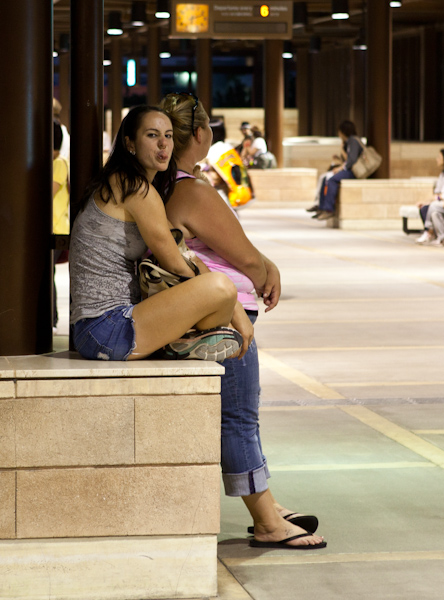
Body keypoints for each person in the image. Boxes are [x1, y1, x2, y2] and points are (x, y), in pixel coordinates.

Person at [159, 92, 326, 550]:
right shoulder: (192, 189)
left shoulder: (170, 185)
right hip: (221, 316)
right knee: (237, 418)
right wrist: (266, 270)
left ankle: (267, 504)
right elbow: (246, 257)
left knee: (237, 417)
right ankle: (267, 521)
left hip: (204, 311)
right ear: (201, 134)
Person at [68, 105, 244, 363]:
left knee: (220, 299)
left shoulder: (127, 182)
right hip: (107, 328)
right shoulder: (135, 188)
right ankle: (181, 344)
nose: (163, 144)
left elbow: (180, 254)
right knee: (222, 288)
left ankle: (183, 342)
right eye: (152, 135)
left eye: (169, 136)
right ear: (130, 143)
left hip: (103, 327)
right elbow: (176, 261)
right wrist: (237, 310)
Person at [313, 120, 363, 221]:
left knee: (332, 180)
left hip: (354, 171)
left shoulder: (353, 141)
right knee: (325, 178)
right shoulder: (349, 142)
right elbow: (348, 159)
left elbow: (352, 160)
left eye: (339, 131)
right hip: (349, 169)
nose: (338, 134)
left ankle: (329, 209)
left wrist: (341, 168)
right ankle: (322, 207)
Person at [52, 120, 70, 328]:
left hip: (56, 228)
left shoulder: (59, 163)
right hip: (53, 228)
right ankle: (52, 319)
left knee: (48, 276)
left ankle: (52, 320)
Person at [414, 149, 444, 244]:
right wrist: (426, 201)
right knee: (428, 209)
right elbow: (438, 194)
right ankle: (439, 237)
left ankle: (429, 231)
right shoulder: (442, 175)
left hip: (440, 202)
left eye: (439, 157)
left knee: (433, 207)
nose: (437, 159)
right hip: (441, 201)